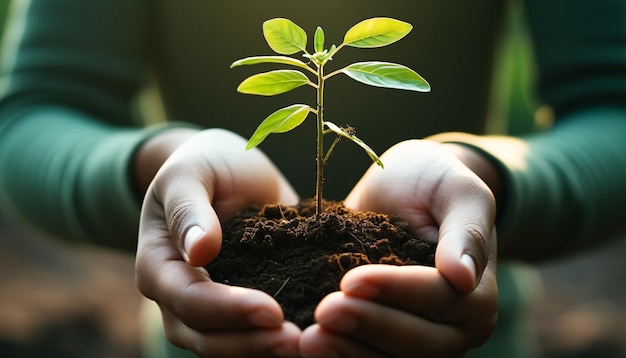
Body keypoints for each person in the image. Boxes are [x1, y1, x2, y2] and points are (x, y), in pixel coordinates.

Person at [0, 0, 625, 357]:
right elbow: (35, 110)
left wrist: (488, 181)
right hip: (209, 336)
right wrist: (158, 168)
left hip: (453, 334)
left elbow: (611, 104)